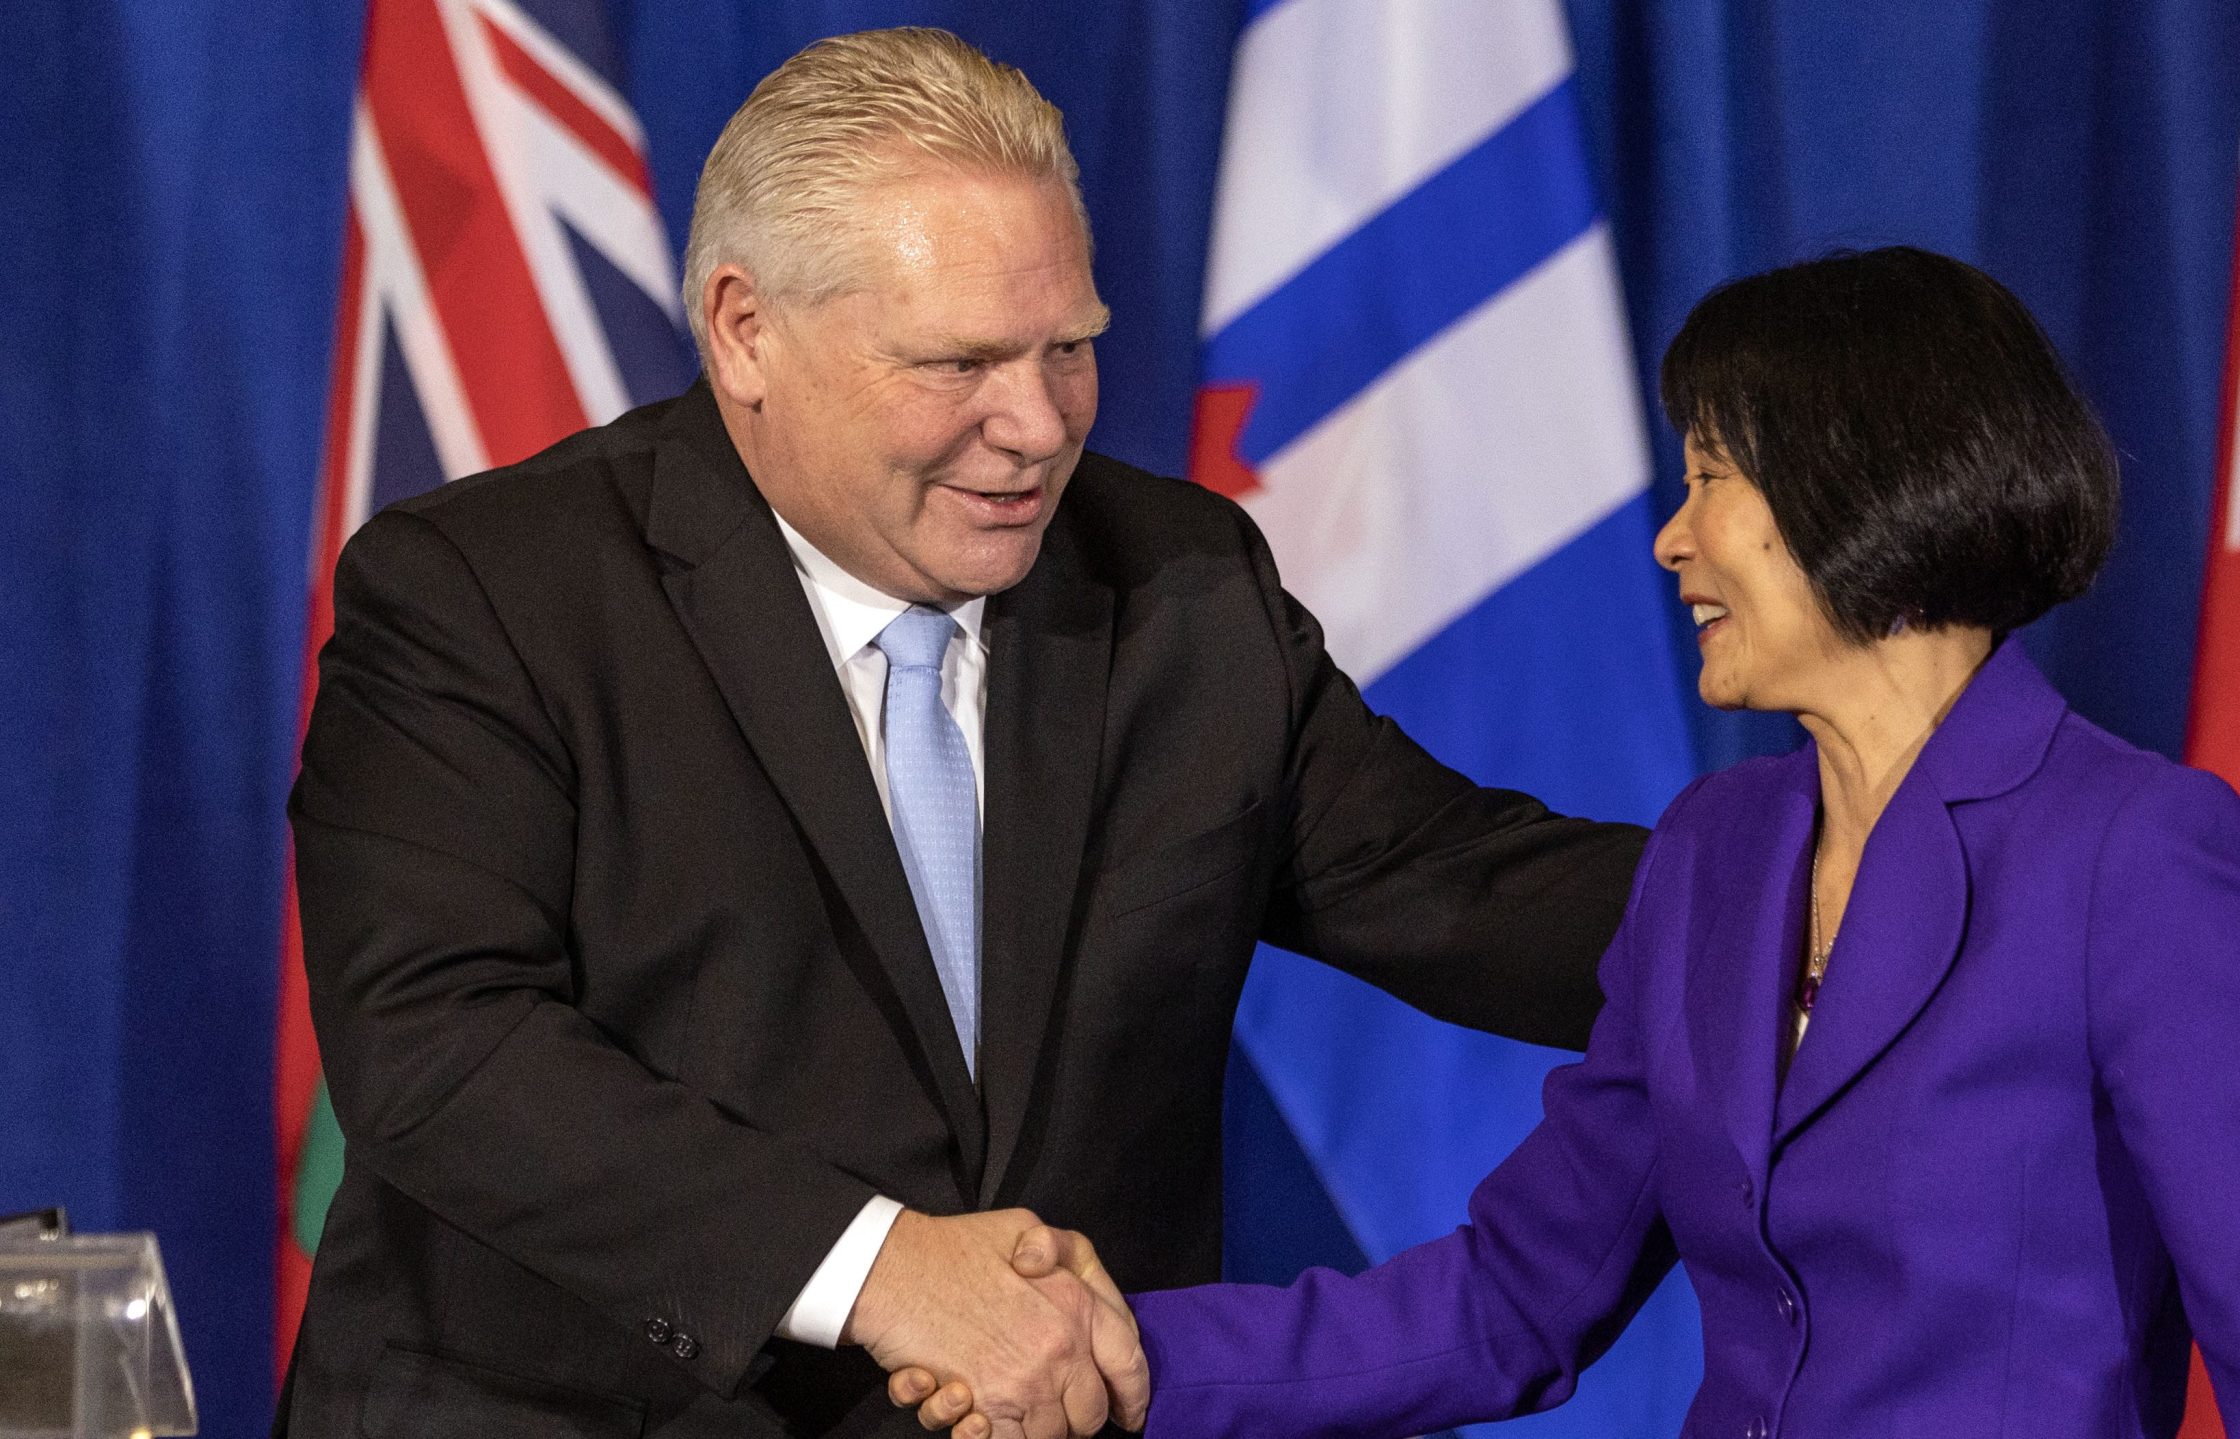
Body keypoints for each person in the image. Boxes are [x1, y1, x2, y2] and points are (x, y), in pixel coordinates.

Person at [280, 28, 1646, 1439]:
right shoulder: (492, 593)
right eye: (957, 363)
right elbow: (442, 1046)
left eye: (1071, 350)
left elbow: (1465, 888)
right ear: (747, 331)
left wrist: (1830, 900)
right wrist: (878, 1268)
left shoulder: (1177, 585)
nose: (1038, 425)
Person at [923, 247, 2240, 1437]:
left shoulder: (2140, 857)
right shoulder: (1719, 854)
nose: (1672, 537)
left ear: (1868, 478)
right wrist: (1118, 1353)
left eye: (1714, 478)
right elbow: (1513, 1301)